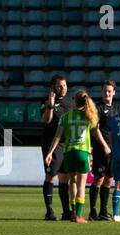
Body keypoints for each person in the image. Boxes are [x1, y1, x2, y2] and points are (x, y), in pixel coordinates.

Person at [45, 91, 110, 224]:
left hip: (68, 152)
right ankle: (79, 216)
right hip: (82, 152)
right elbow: (96, 132)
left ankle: (73, 212)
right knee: (81, 185)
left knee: (72, 183)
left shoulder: (65, 116)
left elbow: (57, 136)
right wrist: (105, 145)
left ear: (74, 102)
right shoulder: (89, 116)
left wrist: (50, 152)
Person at [40, 74, 75, 221]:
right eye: (60, 86)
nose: (63, 88)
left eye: (65, 85)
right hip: (51, 143)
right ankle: (49, 211)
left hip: (67, 143)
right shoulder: (47, 101)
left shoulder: (70, 101)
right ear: (53, 87)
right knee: (51, 176)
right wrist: (51, 104)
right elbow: (46, 120)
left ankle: (66, 211)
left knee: (64, 177)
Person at [89, 80, 117, 221]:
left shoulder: (116, 109)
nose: (107, 93)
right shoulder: (98, 108)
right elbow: (94, 128)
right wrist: (105, 146)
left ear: (114, 92)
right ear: (102, 92)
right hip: (101, 149)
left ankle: (103, 211)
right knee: (98, 179)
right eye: (105, 91)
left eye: (109, 91)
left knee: (109, 180)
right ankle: (92, 212)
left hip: (113, 150)